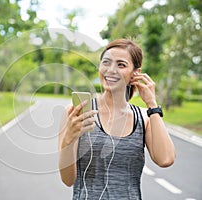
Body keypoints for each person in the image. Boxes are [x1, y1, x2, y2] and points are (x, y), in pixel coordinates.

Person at [58, 38, 176, 200]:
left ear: (136, 73)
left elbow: (166, 159)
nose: (111, 70)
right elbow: (67, 180)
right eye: (106, 62)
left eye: (121, 64)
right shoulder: (76, 113)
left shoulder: (143, 117)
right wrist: (68, 140)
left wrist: (152, 105)